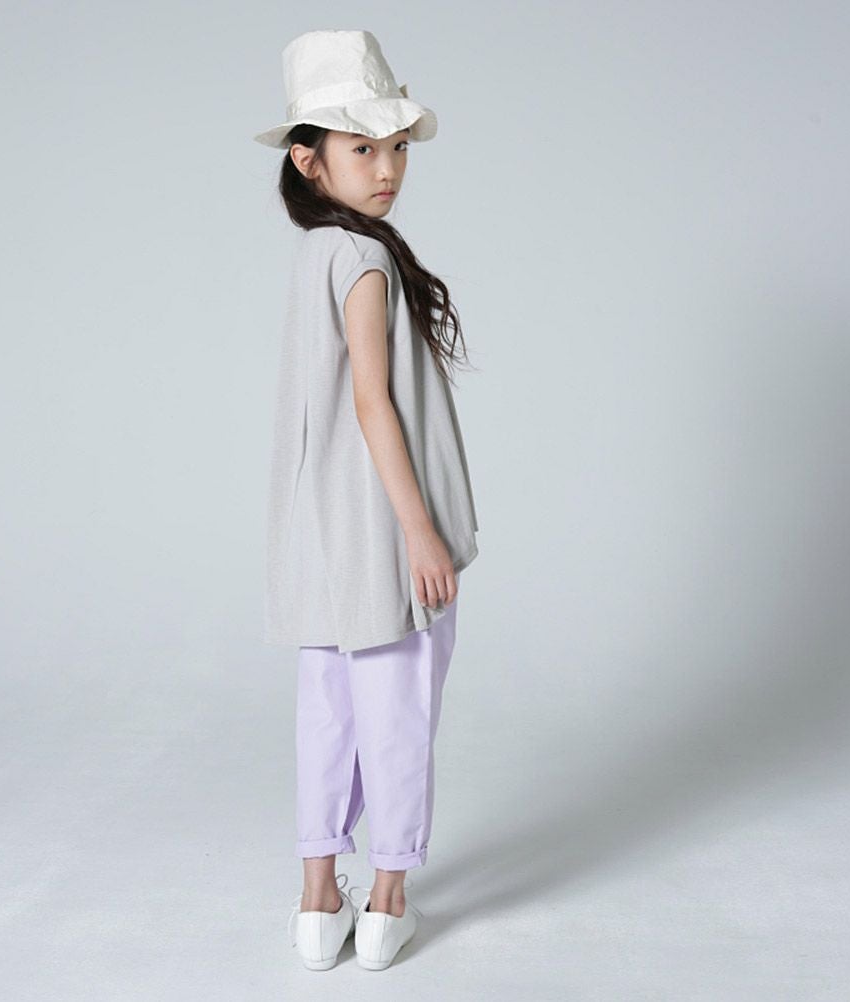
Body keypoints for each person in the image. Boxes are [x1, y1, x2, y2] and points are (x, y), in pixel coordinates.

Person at [253, 29, 481, 972]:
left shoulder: (316, 253)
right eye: (362, 149)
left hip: (320, 533)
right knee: (398, 707)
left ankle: (317, 904)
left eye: (394, 148)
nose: (387, 169)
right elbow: (372, 400)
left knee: (329, 708)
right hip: (383, 531)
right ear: (309, 160)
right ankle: (386, 905)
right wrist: (421, 532)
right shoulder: (366, 260)